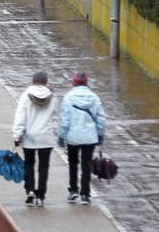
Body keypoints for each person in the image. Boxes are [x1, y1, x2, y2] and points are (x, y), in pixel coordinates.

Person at [57, 72, 105, 206]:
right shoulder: (94, 98)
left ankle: (73, 190)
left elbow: (64, 120)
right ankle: (85, 194)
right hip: (89, 138)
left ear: (74, 82)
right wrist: (100, 135)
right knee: (86, 165)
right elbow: (100, 119)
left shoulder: (69, 98)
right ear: (86, 83)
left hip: (73, 137)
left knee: (73, 163)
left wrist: (61, 136)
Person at [12, 71, 57, 207]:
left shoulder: (25, 96)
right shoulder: (52, 97)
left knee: (29, 164)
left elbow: (20, 117)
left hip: (29, 137)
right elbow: (55, 117)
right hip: (46, 137)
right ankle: (41, 195)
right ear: (45, 81)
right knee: (44, 166)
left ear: (33, 81)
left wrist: (17, 135)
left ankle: (30, 190)